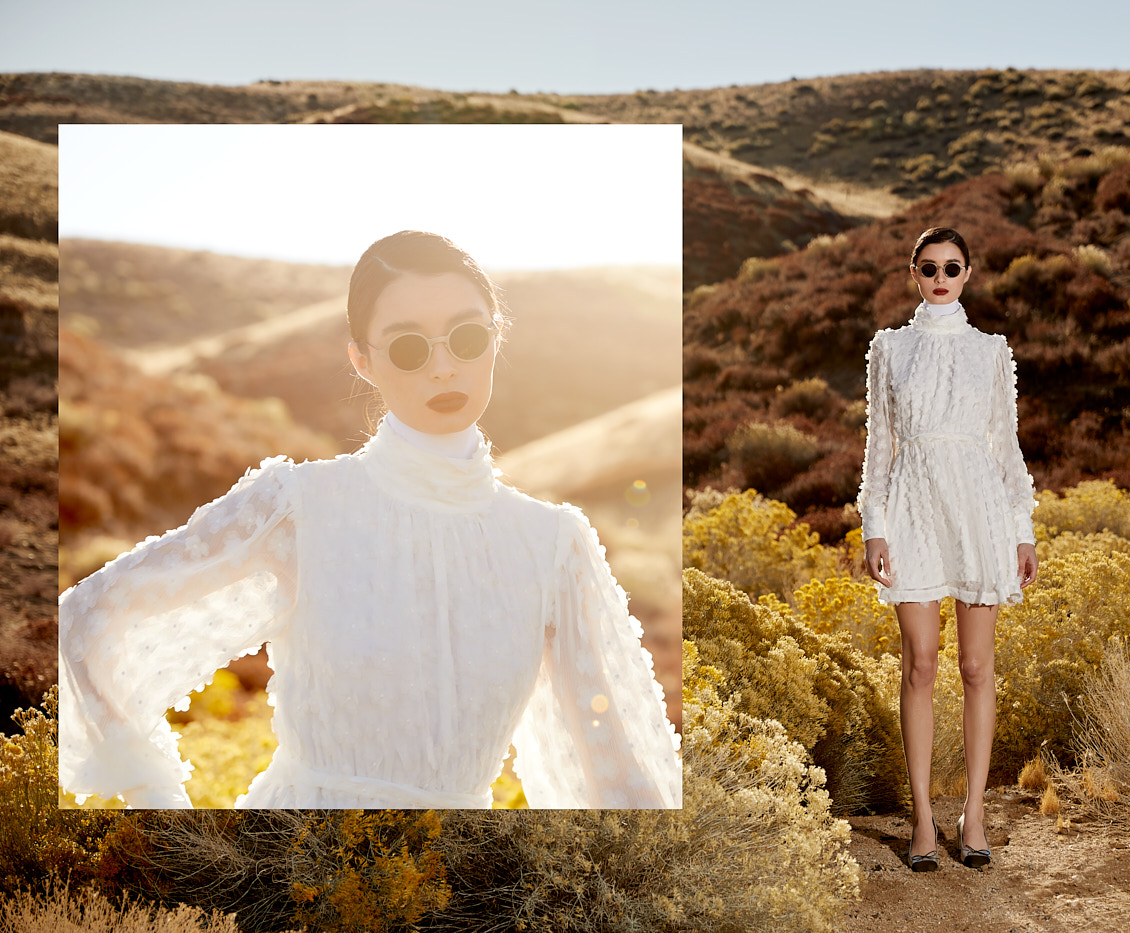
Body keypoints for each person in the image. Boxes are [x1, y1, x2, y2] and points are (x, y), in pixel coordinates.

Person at [58, 230, 682, 810]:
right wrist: (158, 808)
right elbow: (88, 620)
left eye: (467, 338)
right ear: (362, 360)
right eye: (409, 347)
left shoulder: (553, 543)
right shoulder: (297, 506)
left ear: (497, 338)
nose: (443, 367)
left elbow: (615, 766)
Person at [857, 226, 1038, 870]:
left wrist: (1024, 531)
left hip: (980, 511)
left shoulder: (991, 351)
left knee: (977, 668)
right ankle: (925, 822)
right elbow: (879, 448)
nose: (940, 277)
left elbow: (1006, 447)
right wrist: (871, 525)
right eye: (928, 267)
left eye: (951, 267)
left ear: (968, 274)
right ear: (914, 273)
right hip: (910, 509)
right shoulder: (890, 349)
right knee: (921, 665)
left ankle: (976, 817)